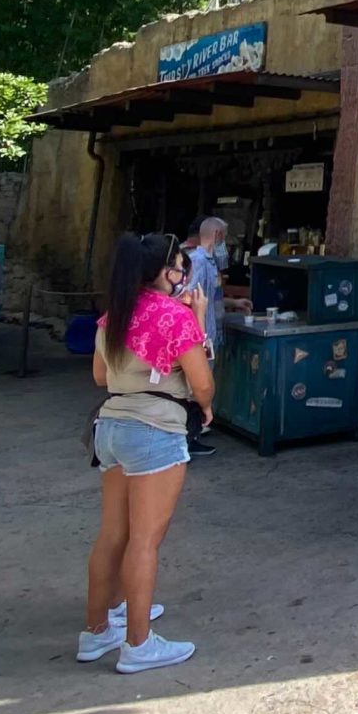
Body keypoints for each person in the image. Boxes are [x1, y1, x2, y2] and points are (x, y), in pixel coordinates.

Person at [82, 232, 205, 674]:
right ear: (162, 271)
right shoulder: (177, 317)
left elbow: (100, 376)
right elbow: (202, 381)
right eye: (177, 266)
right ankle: (138, 643)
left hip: (110, 426)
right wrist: (207, 407)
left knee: (112, 534)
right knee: (145, 541)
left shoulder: (113, 315)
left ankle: (96, 630)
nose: (181, 274)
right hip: (155, 429)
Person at [174, 216, 228, 458]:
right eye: (224, 238)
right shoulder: (197, 261)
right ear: (217, 236)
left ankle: (192, 435)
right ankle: (189, 437)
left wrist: (234, 301)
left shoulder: (207, 261)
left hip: (207, 331)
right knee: (195, 386)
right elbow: (187, 297)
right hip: (198, 334)